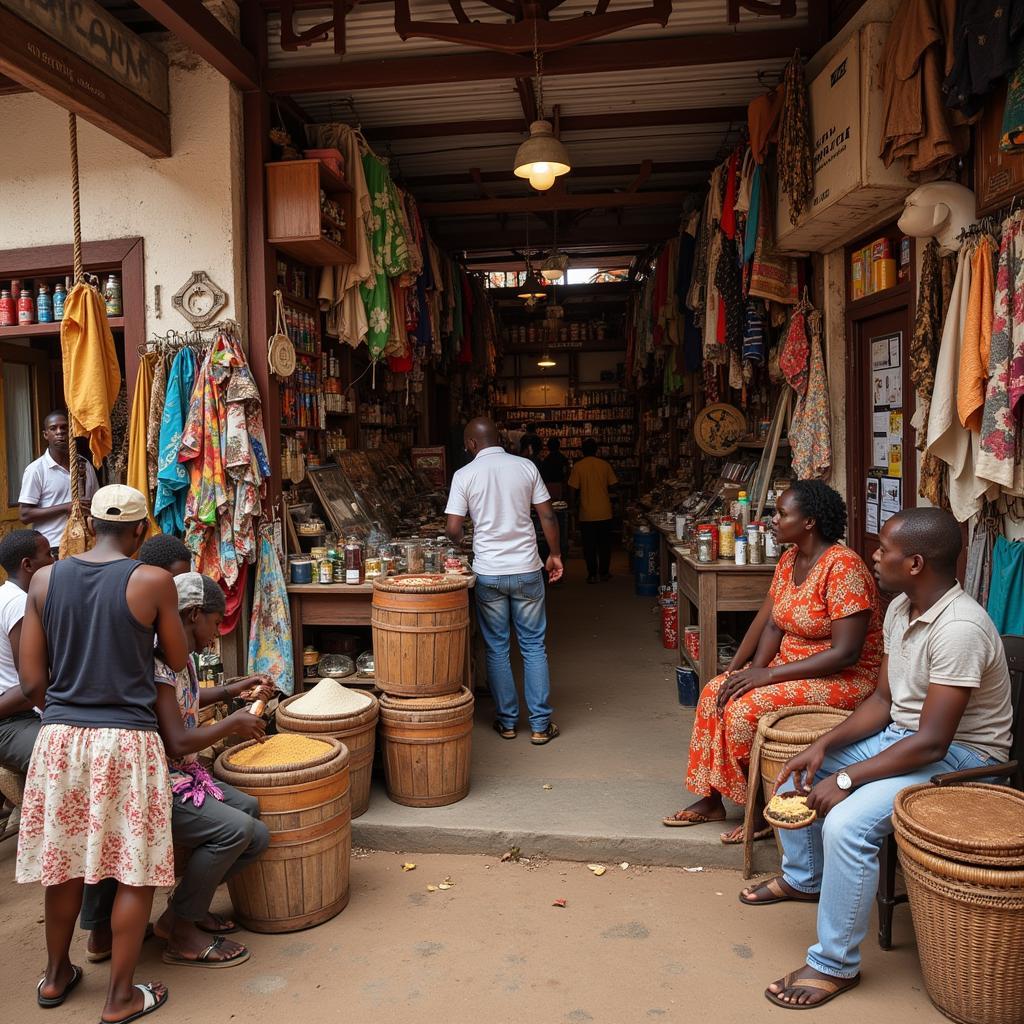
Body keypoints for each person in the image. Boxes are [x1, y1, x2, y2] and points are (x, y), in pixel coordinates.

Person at [743, 508, 1013, 1009]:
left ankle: (834, 965)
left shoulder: (959, 629)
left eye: (884, 549)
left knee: (846, 824)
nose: (874, 556)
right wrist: (822, 747)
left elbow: (933, 742)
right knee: (792, 775)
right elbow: (883, 703)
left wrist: (847, 778)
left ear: (914, 563)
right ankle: (807, 880)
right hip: (901, 736)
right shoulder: (900, 608)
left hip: (965, 758)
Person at [15, 484, 187, 1023]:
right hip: (127, 741)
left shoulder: (44, 579)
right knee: (134, 871)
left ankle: (54, 975)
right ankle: (120, 998)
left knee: (62, 865)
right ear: (141, 531)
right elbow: (178, 658)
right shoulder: (153, 580)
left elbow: (31, 680)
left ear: (89, 523)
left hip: (61, 737)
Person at [664, 481, 883, 843]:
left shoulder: (843, 568)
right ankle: (712, 798)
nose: (773, 521)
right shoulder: (790, 559)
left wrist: (766, 676)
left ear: (810, 521)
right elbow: (770, 623)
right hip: (792, 667)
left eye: (782, 514)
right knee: (714, 692)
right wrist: (740, 671)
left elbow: (846, 653)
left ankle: (763, 807)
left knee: (743, 711)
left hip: (843, 677)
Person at [81, 574, 271, 969]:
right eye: (215, 623)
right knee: (235, 831)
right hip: (153, 782)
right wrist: (233, 724)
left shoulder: (180, 660)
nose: (216, 634)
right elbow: (177, 742)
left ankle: (180, 913)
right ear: (193, 614)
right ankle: (183, 931)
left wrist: (236, 688)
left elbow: (191, 699)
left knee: (252, 817)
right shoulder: (156, 665)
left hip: (181, 775)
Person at [446, 417, 563, 745]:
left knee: (497, 648)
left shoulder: (464, 474)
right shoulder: (525, 466)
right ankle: (540, 725)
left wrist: (460, 545)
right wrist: (554, 554)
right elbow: (547, 514)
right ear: (499, 439)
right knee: (533, 646)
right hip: (527, 568)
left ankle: (508, 722)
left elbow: (454, 528)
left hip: (489, 573)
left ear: (471, 444)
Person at [0, 530, 52, 773]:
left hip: (16, 715)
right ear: (28, 565)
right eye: (49, 554)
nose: (54, 561)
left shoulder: (5, 596)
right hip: (13, 721)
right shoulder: (19, 603)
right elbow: (30, 685)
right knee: (61, 760)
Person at [19, 410, 99, 556]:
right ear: (45, 435)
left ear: (71, 431)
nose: (59, 432)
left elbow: (96, 503)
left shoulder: (84, 465)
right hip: (53, 546)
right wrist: (66, 507)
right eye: (53, 428)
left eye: (64, 428)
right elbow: (25, 515)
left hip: (86, 544)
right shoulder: (36, 470)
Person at [568, 438, 618, 584]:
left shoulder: (578, 467)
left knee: (589, 546)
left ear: (582, 451)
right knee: (604, 545)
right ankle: (604, 573)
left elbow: (572, 489)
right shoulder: (604, 465)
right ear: (596, 450)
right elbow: (614, 485)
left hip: (586, 513)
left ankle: (592, 574)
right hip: (604, 511)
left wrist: (572, 507)